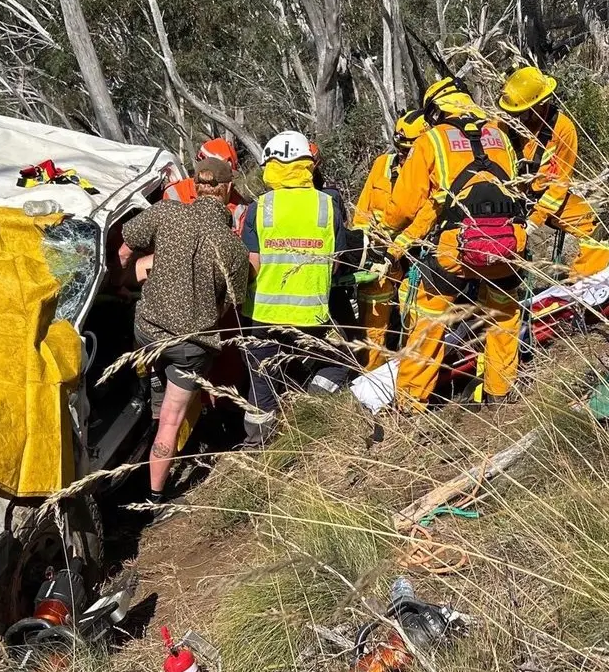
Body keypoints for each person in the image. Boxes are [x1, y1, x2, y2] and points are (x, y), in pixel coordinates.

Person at [376, 79, 527, 409]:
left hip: (454, 251)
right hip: (506, 245)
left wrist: (385, 233)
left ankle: (411, 403)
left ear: (434, 110)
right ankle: (499, 393)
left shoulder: (431, 140)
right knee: (502, 315)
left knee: (428, 323)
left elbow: (404, 207)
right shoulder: (501, 135)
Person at [119, 157, 251, 503]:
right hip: (190, 346)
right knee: (171, 421)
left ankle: (145, 407)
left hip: (147, 332)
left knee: (154, 388)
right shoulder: (233, 248)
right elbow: (232, 304)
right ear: (226, 191)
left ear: (195, 186)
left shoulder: (166, 213)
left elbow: (125, 246)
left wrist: (119, 284)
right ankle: (154, 497)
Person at [239, 131, 352, 447]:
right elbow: (336, 263)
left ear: (270, 165)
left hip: (263, 313)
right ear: (307, 165)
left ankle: (257, 441)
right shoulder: (327, 206)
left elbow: (253, 264)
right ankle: (313, 402)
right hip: (313, 312)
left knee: (262, 381)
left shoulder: (260, 208)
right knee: (342, 359)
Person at [498, 65, 609, 278]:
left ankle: (585, 280)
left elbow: (560, 183)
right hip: (507, 199)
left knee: (593, 224)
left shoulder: (562, 129)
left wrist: (534, 221)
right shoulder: (500, 127)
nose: (517, 119)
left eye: (522, 114)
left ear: (542, 104)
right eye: (512, 114)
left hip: (546, 199)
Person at [352, 110, 431, 370]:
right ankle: (370, 376)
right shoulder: (382, 166)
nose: (405, 156)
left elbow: (425, 219)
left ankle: (408, 372)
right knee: (373, 318)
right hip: (378, 256)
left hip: (414, 255)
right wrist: (365, 251)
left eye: (411, 150)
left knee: (415, 312)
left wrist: (397, 250)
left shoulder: (433, 173)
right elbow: (363, 212)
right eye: (402, 148)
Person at [164, 137, 250, 232]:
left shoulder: (240, 207)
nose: (226, 185)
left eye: (227, 178)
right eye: (218, 179)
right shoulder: (175, 193)